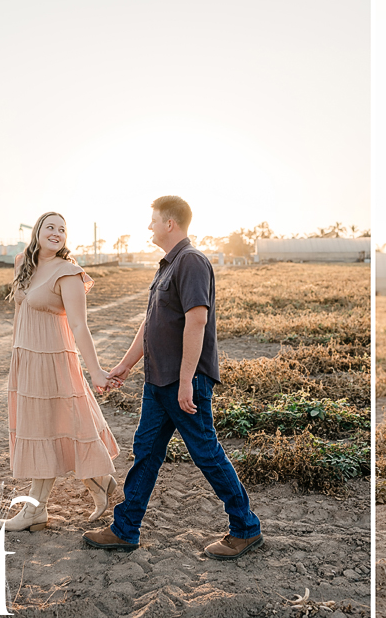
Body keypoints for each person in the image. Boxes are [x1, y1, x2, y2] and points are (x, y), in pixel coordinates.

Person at [83, 196, 262, 559]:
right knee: (145, 454)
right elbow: (151, 325)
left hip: (184, 383)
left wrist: (185, 381)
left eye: (153, 220)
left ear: (170, 224)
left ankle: (245, 529)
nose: (148, 226)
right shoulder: (166, 265)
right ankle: (125, 529)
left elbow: (197, 321)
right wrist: (125, 365)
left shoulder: (191, 261)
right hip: (158, 382)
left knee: (207, 454)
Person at [0, 212, 120, 532]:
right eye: (50, 227)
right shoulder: (22, 262)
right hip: (27, 359)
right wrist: (16, 355)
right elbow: (19, 311)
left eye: (62, 229)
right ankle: (99, 480)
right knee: (42, 427)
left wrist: (95, 372)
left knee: (56, 426)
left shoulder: (68, 272)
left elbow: (80, 325)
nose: (56, 232)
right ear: (37, 231)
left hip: (54, 359)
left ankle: (36, 510)